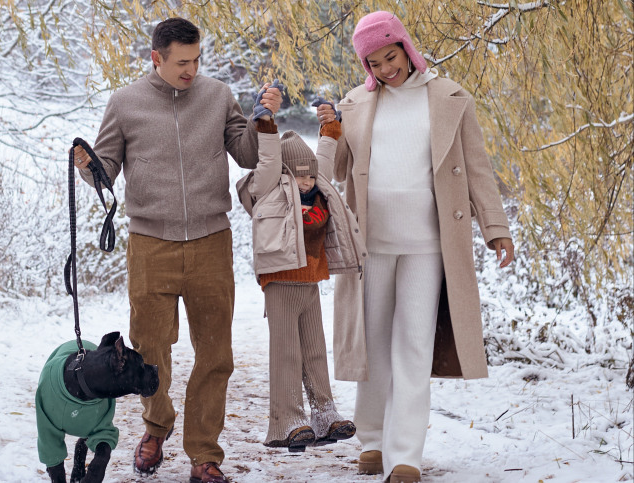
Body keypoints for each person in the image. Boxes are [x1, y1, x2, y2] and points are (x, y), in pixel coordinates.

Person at [72, 17, 282, 483]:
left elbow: (247, 154)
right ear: (157, 58)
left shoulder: (217, 96)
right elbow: (105, 169)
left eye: (197, 59)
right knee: (149, 349)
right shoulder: (124, 104)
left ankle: (204, 453)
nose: (192, 70)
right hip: (150, 244)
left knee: (215, 354)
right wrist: (87, 165)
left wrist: (263, 120)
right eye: (182, 62)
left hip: (211, 242)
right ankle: (156, 424)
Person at [315, 11, 515, 483]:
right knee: (374, 344)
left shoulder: (448, 97)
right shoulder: (356, 104)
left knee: (413, 345)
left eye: (392, 56)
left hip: (429, 244)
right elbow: (337, 171)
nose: (387, 69)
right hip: (371, 245)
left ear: (406, 47)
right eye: (375, 62)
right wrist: (331, 131)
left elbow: (477, 168)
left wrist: (495, 227)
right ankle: (371, 440)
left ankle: (404, 456)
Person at [235, 104, 366, 452]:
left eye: (309, 176)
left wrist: (331, 129)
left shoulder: (316, 187)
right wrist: (265, 126)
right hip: (280, 282)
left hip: (310, 280)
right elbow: (267, 162)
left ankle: (324, 413)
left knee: (314, 351)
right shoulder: (270, 188)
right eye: (299, 176)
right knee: (286, 353)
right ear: (285, 174)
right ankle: (287, 420)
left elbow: (322, 159)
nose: (307, 181)